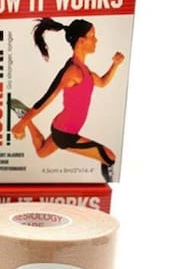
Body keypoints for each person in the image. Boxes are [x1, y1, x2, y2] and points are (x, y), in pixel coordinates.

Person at [11, 18, 124, 182]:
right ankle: (108, 183)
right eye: (93, 36)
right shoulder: (73, 72)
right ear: (81, 41)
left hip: (62, 126)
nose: (96, 40)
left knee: (42, 152)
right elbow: (47, 98)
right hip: (65, 133)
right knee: (109, 157)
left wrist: (115, 64)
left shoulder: (84, 70)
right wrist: (20, 125)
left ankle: (25, 116)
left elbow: (102, 82)